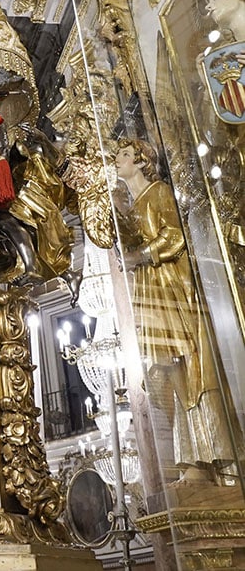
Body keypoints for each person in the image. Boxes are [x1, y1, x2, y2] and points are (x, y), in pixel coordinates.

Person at [114, 137, 233, 480]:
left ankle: (211, 459)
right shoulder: (132, 205)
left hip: (172, 290)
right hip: (151, 293)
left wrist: (141, 255)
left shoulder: (160, 192)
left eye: (125, 154)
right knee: (166, 374)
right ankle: (191, 461)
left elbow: (176, 236)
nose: (118, 159)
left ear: (141, 162)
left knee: (189, 367)